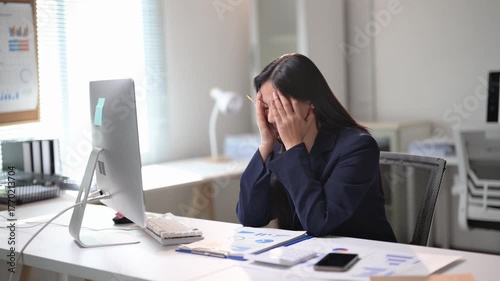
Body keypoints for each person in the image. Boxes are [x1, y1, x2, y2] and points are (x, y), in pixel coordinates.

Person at [236, 53, 397, 242]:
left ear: (310, 103)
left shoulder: (358, 147)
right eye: (265, 107)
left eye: (279, 106)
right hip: (305, 259)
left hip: (360, 258)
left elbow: (319, 223)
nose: (271, 117)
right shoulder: (280, 148)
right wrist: (266, 144)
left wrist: (294, 146)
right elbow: (250, 217)